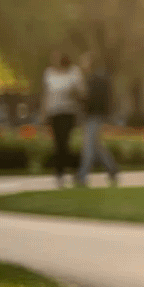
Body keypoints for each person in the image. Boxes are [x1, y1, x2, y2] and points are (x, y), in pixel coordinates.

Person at [41, 52, 84, 188]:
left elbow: (81, 92)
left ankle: (69, 169)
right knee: (58, 143)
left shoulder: (74, 73)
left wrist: (73, 93)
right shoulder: (49, 74)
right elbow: (46, 95)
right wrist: (44, 113)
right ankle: (62, 172)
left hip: (68, 112)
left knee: (64, 142)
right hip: (54, 113)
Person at [77, 52, 119, 187]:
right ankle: (112, 169)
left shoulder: (94, 79)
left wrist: (82, 99)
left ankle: (82, 175)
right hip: (94, 116)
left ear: (89, 63)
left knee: (88, 146)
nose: (82, 65)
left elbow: (91, 99)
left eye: (84, 62)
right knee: (96, 146)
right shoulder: (96, 78)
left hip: (94, 116)